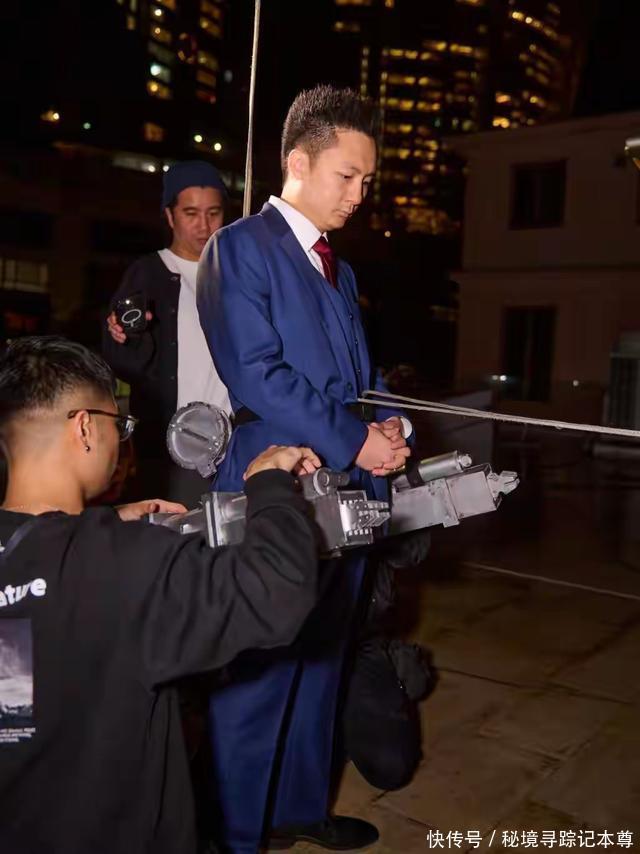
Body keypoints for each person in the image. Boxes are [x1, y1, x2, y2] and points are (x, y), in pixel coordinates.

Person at [0, 335, 324, 854]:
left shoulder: (67, 553)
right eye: (119, 425)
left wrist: (105, 522)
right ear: (84, 428)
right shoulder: (129, 565)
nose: (121, 440)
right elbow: (277, 592)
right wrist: (269, 486)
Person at [197, 85, 412, 852]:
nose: (359, 195)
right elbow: (258, 374)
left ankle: (298, 807)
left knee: (323, 655)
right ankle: (237, 832)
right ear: (298, 162)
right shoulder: (240, 249)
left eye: (367, 182)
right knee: (263, 662)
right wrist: (355, 439)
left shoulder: (338, 271)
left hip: (345, 484)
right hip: (275, 481)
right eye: (347, 176)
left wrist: (386, 422)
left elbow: (359, 378)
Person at [102, 160, 231, 506]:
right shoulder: (148, 273)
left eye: (214, 213)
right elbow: (121, 361)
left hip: (235, 446)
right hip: (174, 451)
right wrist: (124, 336)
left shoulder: (237, 274)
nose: (204, 225)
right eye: (191, 213)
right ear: (170, 216)